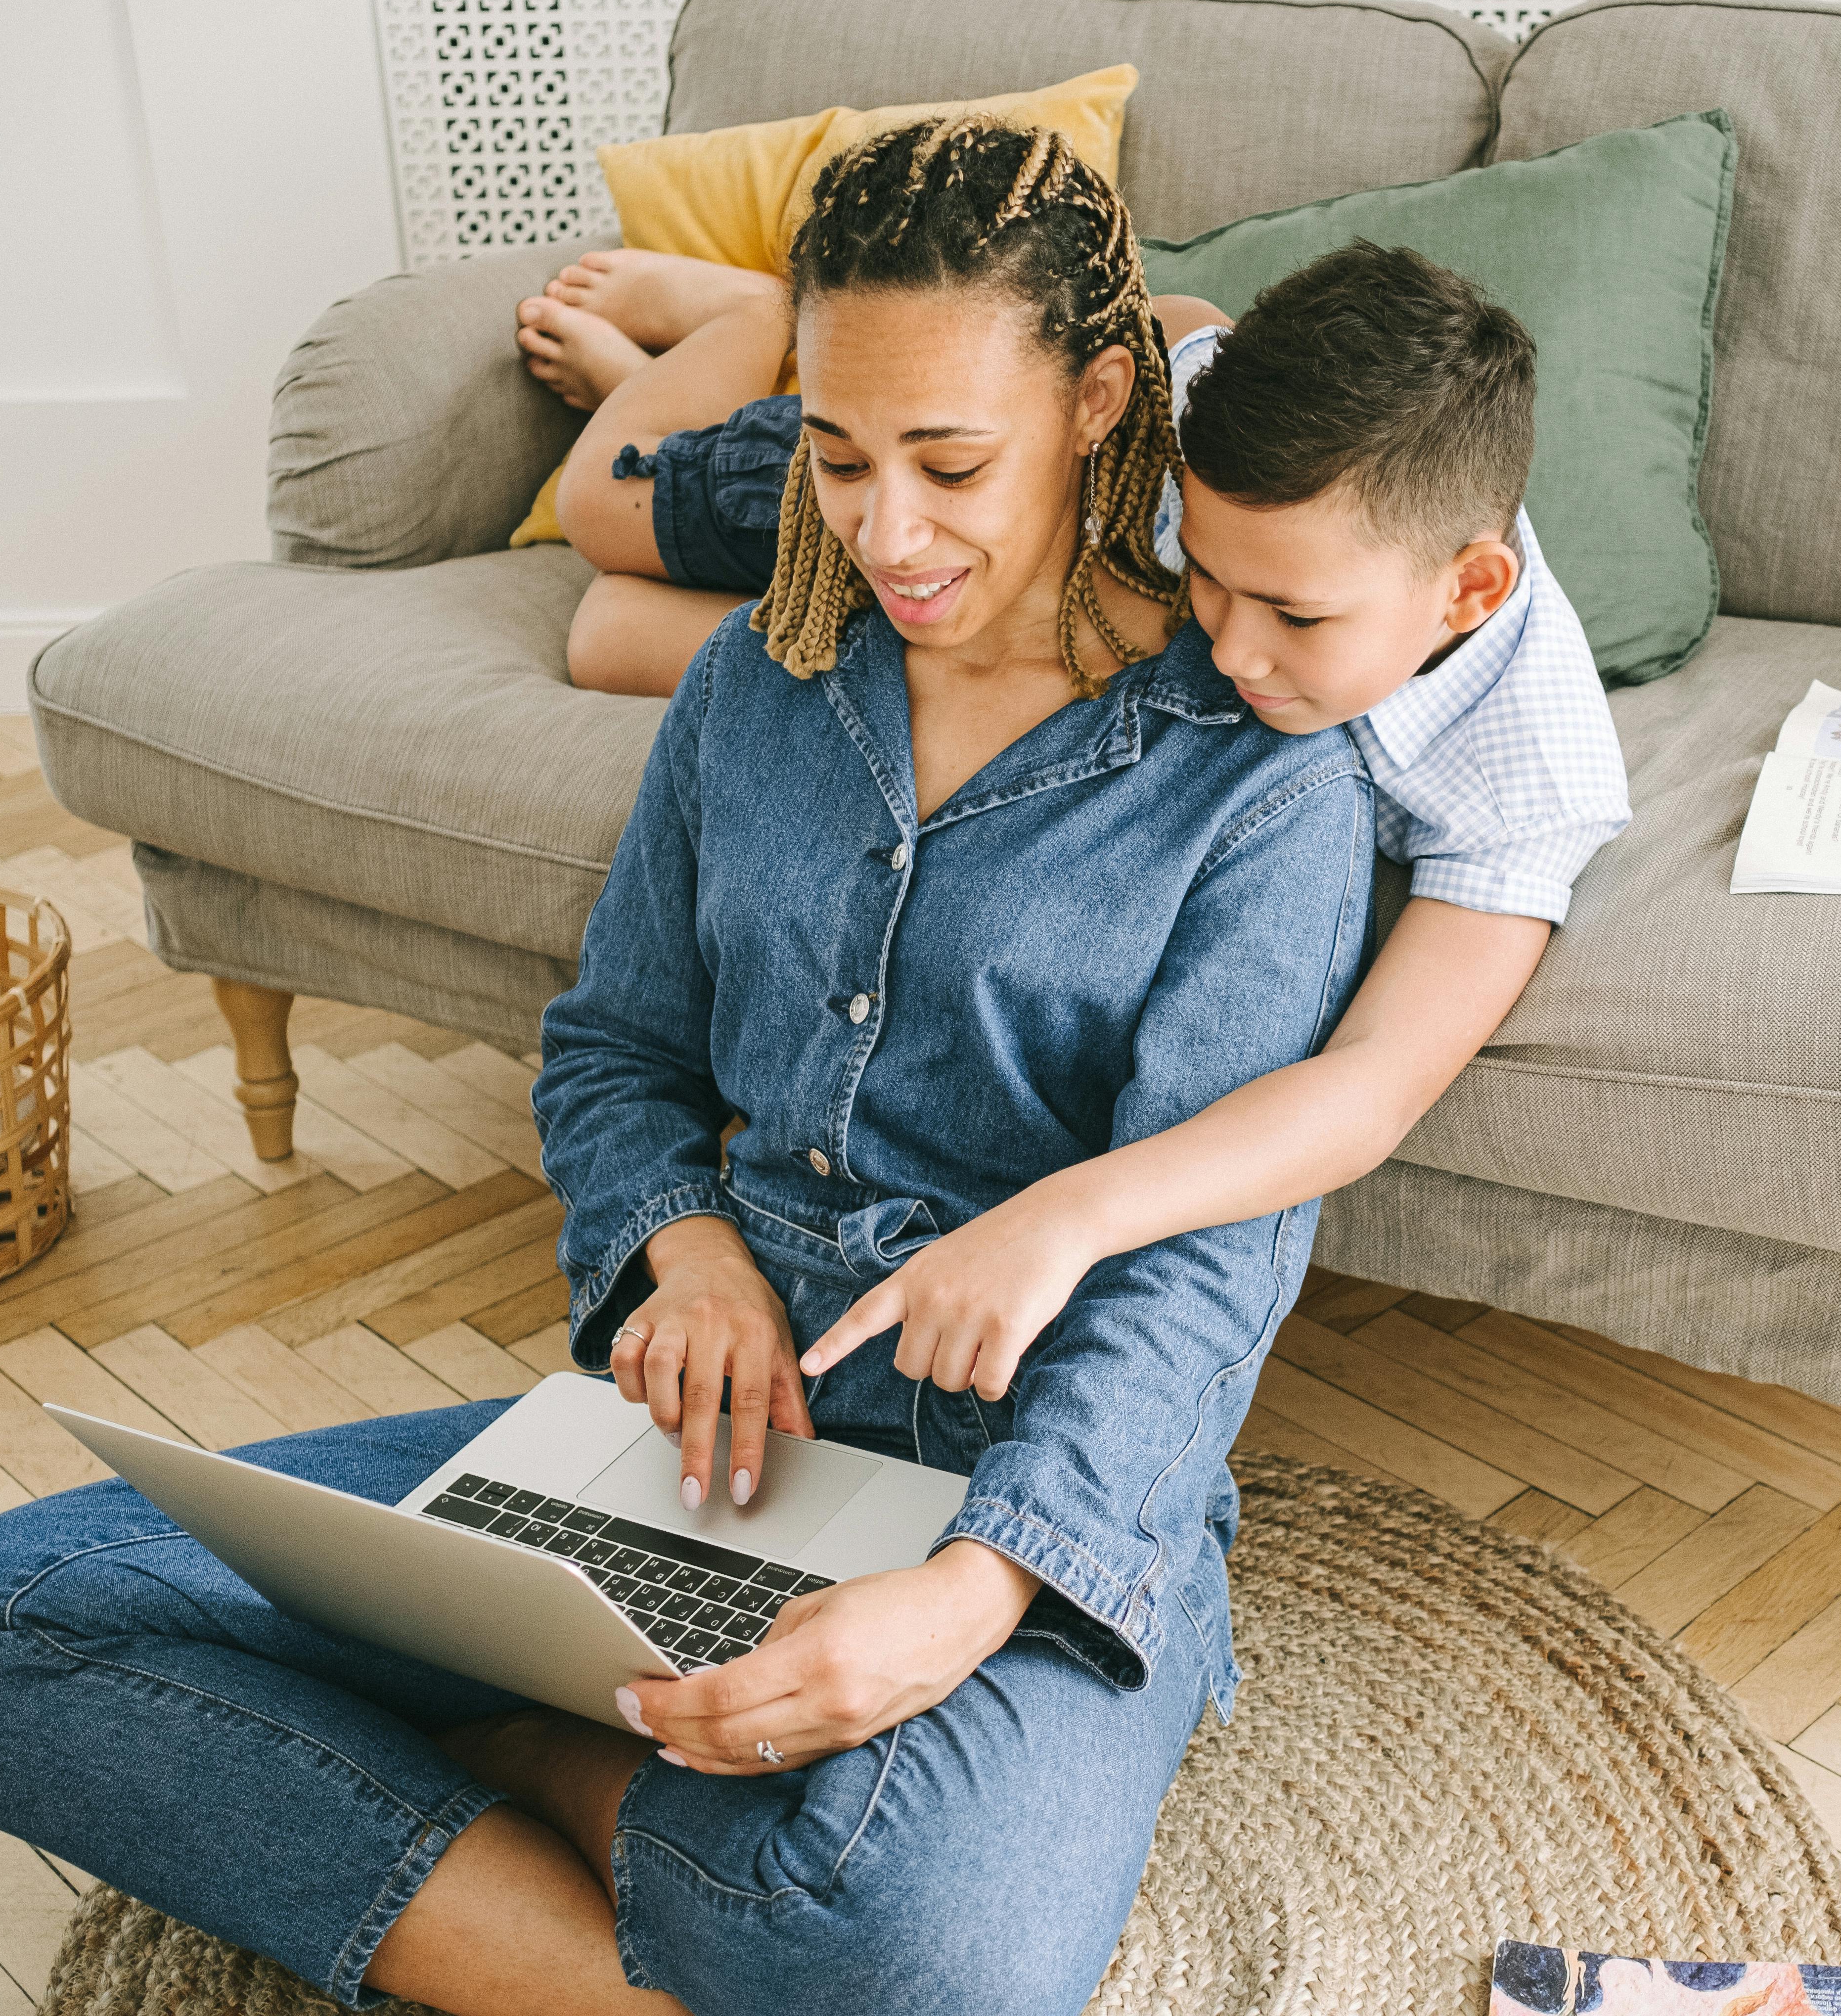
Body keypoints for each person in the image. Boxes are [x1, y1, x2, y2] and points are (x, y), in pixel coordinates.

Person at [0, 118, 1376, 2016]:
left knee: (925, 1948)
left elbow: (1203, 1261)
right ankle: (641, 1931)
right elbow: (615, 1051)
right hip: (708, 1460)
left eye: (951, 463)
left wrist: (976, 1593)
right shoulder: (761, 680)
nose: (886, 533)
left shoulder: (1259, 783)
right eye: (835, 455)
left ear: (1093, 400)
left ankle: (520, 1776)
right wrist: (685, 1248)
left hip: (1037, 1484)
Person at [531, 232, 1631, 1428]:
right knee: (601, 511)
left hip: (958, 538)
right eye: (1208, 578)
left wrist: (1072, 1213)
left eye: (1297, 617)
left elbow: (1369, 1088)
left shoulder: (1535, 772)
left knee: (604, 634)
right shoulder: (1173, 414)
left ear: (1467, 594)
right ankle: (755, 326)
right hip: (967, 510)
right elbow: (1174, 314)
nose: (1231, 649)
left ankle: (760, 343)